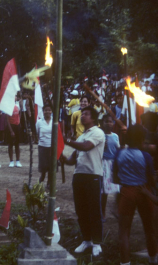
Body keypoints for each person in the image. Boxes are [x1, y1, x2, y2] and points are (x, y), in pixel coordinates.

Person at [61, 107, 105, 257]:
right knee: (81, 210)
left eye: (86, 114)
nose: (82, 116)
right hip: (79, 176)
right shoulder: (81, 137)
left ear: (93, 118)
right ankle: (86, 240)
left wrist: (67, 141)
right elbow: (73, 159)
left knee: (94, 210)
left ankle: (97, 242)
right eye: (82, 114)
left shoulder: (98, 133)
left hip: (93, 175)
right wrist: (61, 157)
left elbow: (86, 147)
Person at [113, 124, 158, 265]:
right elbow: (152, 181)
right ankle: (153, 259)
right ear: (141, 140)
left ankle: (125, 263)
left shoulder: (119, 153)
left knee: (124, 231)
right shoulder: (146, 156)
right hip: (143, 191)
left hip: (126, 191)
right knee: (149, 229)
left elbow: (115, 178)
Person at [100, 114, 120, 220]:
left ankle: (116, 209)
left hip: (113, 163)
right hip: (104, 163)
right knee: (104, 190)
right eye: (106, 121)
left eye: (110, 121)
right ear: (102, 123)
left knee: (118, 188)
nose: (108, 123)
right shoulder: (101, 136)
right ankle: (102, 211)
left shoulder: (115, 136)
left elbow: (118, 149)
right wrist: (103, 147)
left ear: (113, 123)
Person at [36, 105, 53, 185]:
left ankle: (49, 183)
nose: (47, 112)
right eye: (45, 110)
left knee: (51, 165)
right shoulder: (39, 122)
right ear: (43, 111)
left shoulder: (54, 121)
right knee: (43, 165)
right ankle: (42, 178)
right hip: (42, 146)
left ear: (51, 111)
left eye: (49, 110)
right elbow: (37, 133)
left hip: (52, 147)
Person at [6, 95, 22, 167]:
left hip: (17, 126)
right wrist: (11, 131)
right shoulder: (8, 107)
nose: (15, 98)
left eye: (15, 96)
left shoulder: (18, 106)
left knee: (17, 145)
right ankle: (11, 161)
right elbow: (7, 120)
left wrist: (19, 123)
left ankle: (18, 161)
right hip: (11, 126)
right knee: (10, 145)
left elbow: (20, 114)